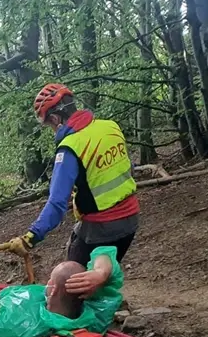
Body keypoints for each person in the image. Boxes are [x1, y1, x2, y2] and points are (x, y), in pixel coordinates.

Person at [10, 84, 139, 266]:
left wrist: (30, 237)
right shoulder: (110, 126)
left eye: (49, 126)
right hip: (131, 219)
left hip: (102, 227)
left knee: (70, 283)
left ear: (55, 119)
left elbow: (56, 203)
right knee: (103, 271)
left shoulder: (70, 147)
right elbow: (127, 169)